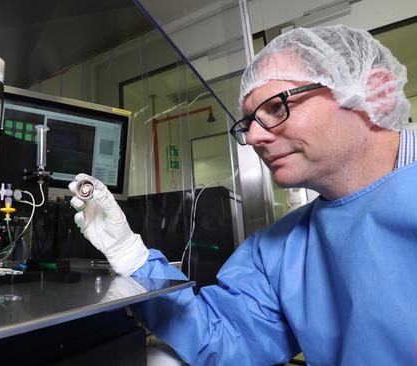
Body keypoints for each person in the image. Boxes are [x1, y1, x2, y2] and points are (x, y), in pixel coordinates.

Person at [68, 25, 416, 365]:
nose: (252, 138)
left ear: (375, 92)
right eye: (248, 123)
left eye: (277, 108)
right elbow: (223, 338)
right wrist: (129, 253)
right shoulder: (279, 249)